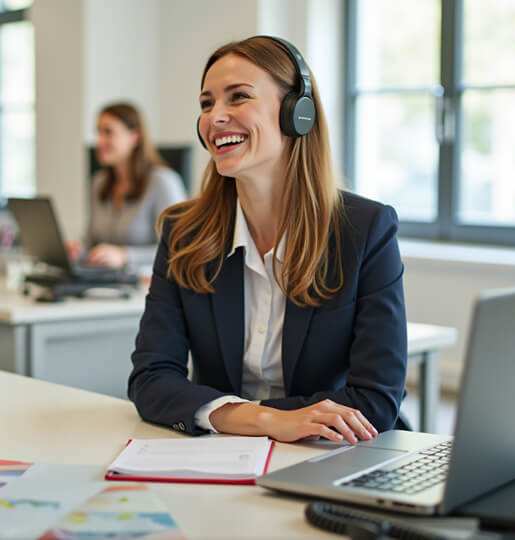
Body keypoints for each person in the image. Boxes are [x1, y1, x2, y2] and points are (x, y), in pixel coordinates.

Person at [128, 36, 407, 444]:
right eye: (207, 104)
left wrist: (234, 414)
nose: (215, 118)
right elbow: (151, 379)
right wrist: (261, 421)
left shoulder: (365, 230)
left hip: (336, 453)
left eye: (237, 97)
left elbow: (375, 400)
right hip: (225, 454)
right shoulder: (184, 232)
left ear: (299, 114)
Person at [67, 102, 187, 270]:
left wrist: (125, 256)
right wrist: (79, 249)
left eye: (108, 132)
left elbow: (179, 249)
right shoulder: (98, 183)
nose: (99, 141)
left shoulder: (163, 182)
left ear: (135, 136)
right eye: (98, 133)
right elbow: (91, 240)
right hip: (104, 284)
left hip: (146, 285)